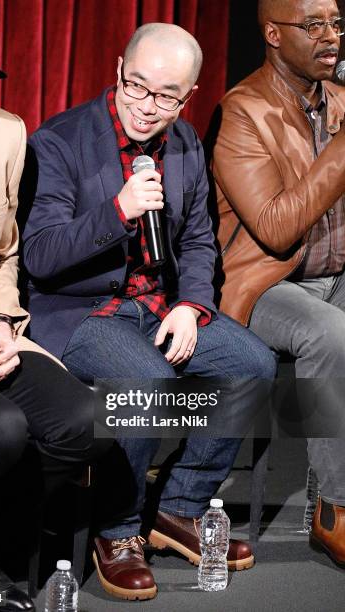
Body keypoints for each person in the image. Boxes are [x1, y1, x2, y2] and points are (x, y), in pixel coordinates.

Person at [21, 22, 276, 601]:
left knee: (250, 364)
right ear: (117, 71)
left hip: (158, 307)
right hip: (84, 310)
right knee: (146, 380)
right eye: (137, 86)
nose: (147, 106)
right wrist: (118, 210)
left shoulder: (184, 141)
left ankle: (180, 506)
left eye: (166, 95)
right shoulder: (59, 141)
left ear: (188, 96)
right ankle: (118, 528)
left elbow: (198, 243)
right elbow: (40, 257)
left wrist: (190, 305)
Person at [0, 3, 109, 612]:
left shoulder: (2, 134)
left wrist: (5, 327)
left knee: (86, 420)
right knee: (0, 429)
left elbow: (5, 255)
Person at [212, 0, 345, 569]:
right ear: (272, 33)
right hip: (268, 282)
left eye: (337, 24)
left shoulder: (339, 100)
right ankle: (335, 509)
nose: (330, 37)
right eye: (312, 25)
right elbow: (275, 228)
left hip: (338, 272)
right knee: (330, 335)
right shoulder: (243, 110)